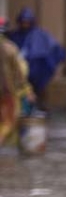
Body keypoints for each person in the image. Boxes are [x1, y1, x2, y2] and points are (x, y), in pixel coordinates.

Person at [5, 8, 65, 109]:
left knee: (34, 96)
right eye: (23, 22)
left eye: (27, 22)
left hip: (36, 75)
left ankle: (35, 110)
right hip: (18, 75)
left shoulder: (40, 35)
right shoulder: (15, 36)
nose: (25, 24)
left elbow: (55, 49)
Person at [0, 16, 33, 148]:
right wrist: (28, 91)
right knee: (8, 122)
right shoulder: (11, 49)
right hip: (7, 92)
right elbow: (19, 74)